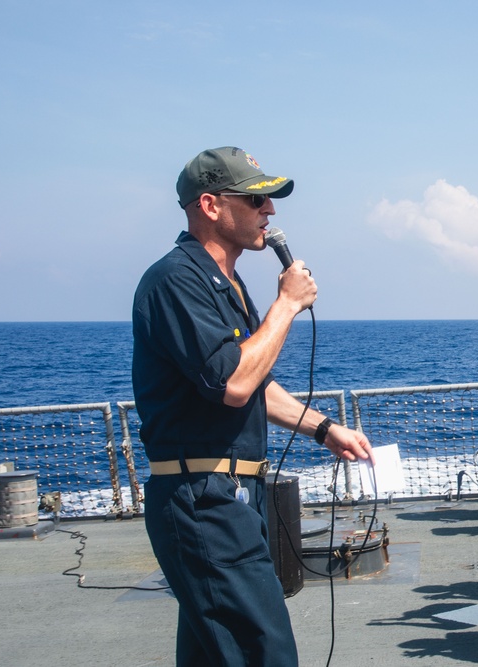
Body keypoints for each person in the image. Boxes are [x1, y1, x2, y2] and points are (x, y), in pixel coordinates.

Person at [132, 146, 372, 666]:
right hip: (204, 498)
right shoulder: (177, 279)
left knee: (214, 651)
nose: (271, 212)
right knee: (264, 651)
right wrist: (286, 304)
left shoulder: (226, 283)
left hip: (231, 494)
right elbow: (234, 384)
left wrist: (323, 427)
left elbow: (254, 379)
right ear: (211, 206)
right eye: (256, 199)